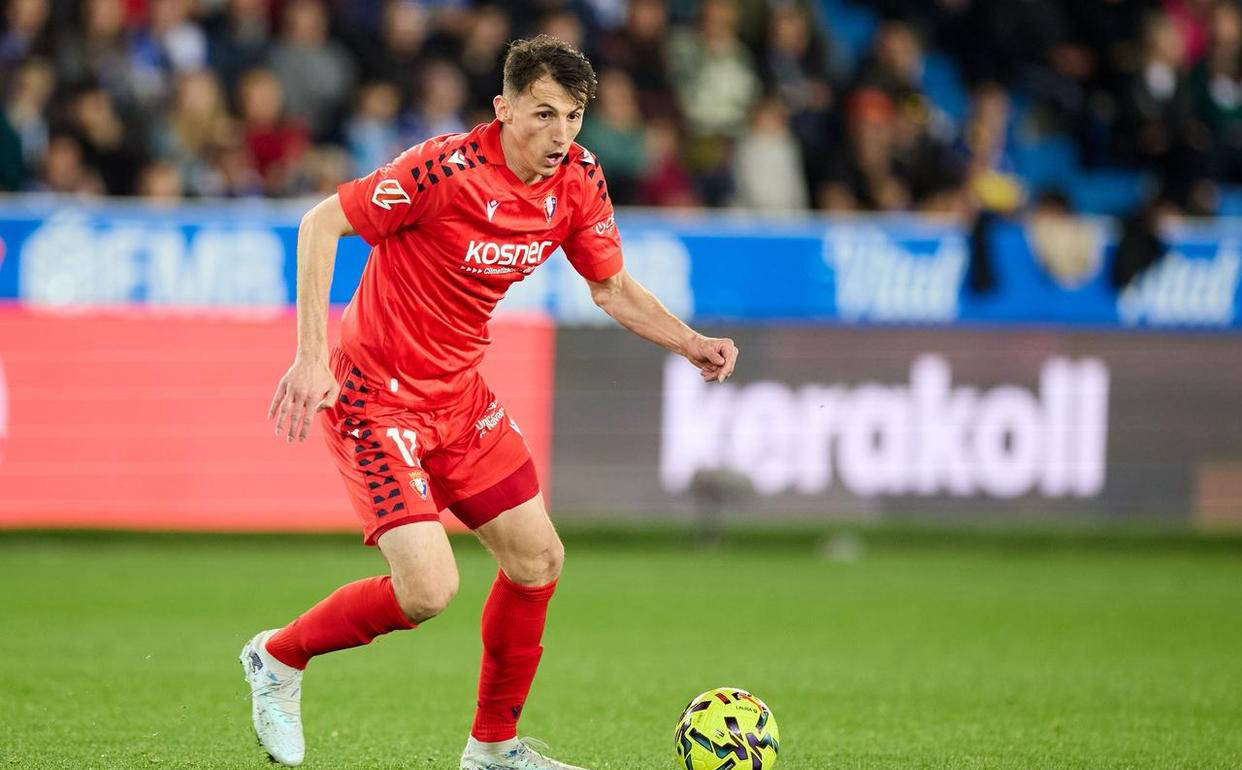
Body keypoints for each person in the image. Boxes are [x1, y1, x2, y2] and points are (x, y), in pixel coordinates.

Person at [242, 35, 739, 770]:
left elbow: (609, 286)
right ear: (503, 108)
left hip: (461, 400)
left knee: (538, 560)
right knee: (428, 590)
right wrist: (311, 355)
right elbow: (322, 223)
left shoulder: (579, 179)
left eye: (574, 116)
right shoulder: (441, 170)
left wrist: (689, 341)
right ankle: (278, 658)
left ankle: (493, 750)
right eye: (544, 113)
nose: (561, 133)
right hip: (376, 401)